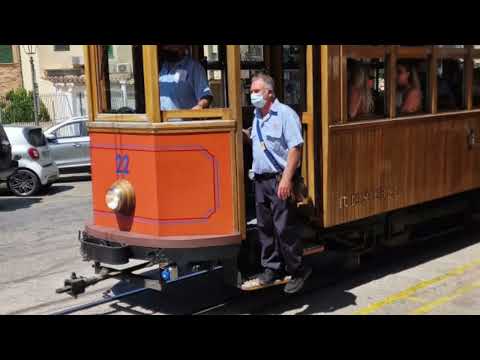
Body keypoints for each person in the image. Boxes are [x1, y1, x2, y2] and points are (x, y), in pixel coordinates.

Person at [245, 73, 311, 294]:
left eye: (256, 91)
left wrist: (286, 179)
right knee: (264, 227)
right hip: (260, 180)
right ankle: (271, 268)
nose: (252, 95)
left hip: (278, 179)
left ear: (270, 93)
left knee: (284, 228)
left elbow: (295, 148)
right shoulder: (256, 116)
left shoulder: (285, 115)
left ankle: (299, 270)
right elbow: (255, 140)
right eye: (252, 91)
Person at [158, 45, 213, 111]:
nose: (167, 48)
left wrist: (200, 106)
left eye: (171, 46)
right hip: (161, 120)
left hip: (183, 120)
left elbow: (206, 95)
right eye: (165, 46)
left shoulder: (194, 67)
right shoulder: (160, 67)